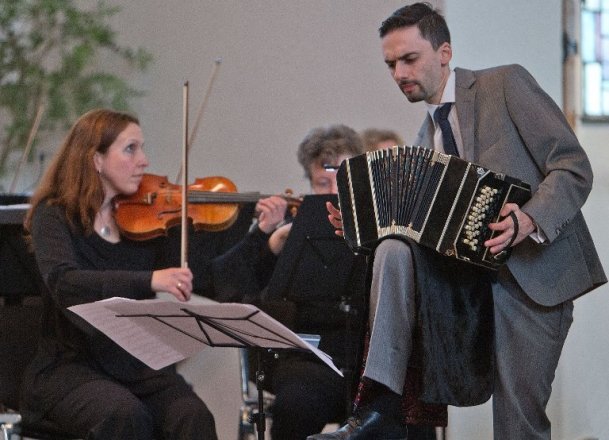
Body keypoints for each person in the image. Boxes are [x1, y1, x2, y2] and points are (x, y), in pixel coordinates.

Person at [309, 3, 606, 440]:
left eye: (409, 59)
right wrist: (359, 227)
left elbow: (573, 167)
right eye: (391, 64)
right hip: (466, 291)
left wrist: (527, 219)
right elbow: (414, 231)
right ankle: (381, 405)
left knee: (516, 423)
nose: (398, 73)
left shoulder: (504, 84)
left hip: (532, 277)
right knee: (391, 249)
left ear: (444, 52)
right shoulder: (425, 138)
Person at [20, 108, 288, 439]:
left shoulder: (151, 220)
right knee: (123, 415)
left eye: (142, 148)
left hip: (137, 368)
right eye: (131, 149)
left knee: (193, 417)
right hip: (71, 368)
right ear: (96, 159)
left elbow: (214, 280)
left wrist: (262, 237)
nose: (144, 160)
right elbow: (64, 282)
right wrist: (149, 279)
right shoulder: (56, 216)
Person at [258, 124, 367, 440]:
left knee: (408, 402)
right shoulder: (292, 231)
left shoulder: (376, 227)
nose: (334, 192)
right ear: (309, 184)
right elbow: (244, 290)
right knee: (297, 402)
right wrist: (270, 245)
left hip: (365, 361)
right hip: (309, 359)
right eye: (323, 183)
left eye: (342, 180)